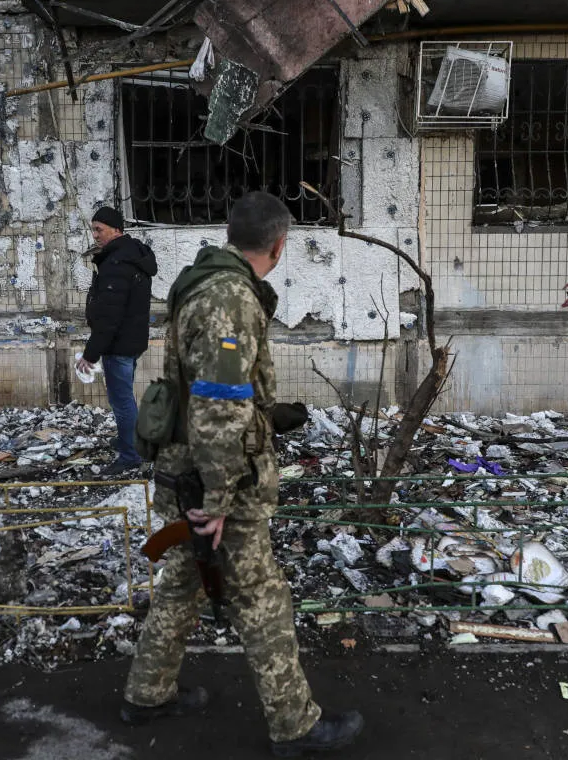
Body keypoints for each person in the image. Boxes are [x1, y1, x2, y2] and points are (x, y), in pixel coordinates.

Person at [119, 192, 363, 756]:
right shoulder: (230, 298)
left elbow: (211, 388)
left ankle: (146, 694)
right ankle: (295, 726)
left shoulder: (205, 281)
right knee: (259, 595)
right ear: (279, 246)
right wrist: (219, 500)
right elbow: (217, 406)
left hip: (185, 465)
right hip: (214, 477)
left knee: (181, 583)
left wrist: (268, 413)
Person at [78, 205, 157, 477]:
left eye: (99, 229)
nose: (95, 235)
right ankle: (129, 441)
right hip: (131, 342)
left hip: (118, 345)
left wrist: (90, 353)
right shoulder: (132, 256)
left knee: (122, 403)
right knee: (125, 400)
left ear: (116, 230)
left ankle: (130, 454)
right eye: (93, 230)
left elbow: (109, 316)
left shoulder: (116, 264)